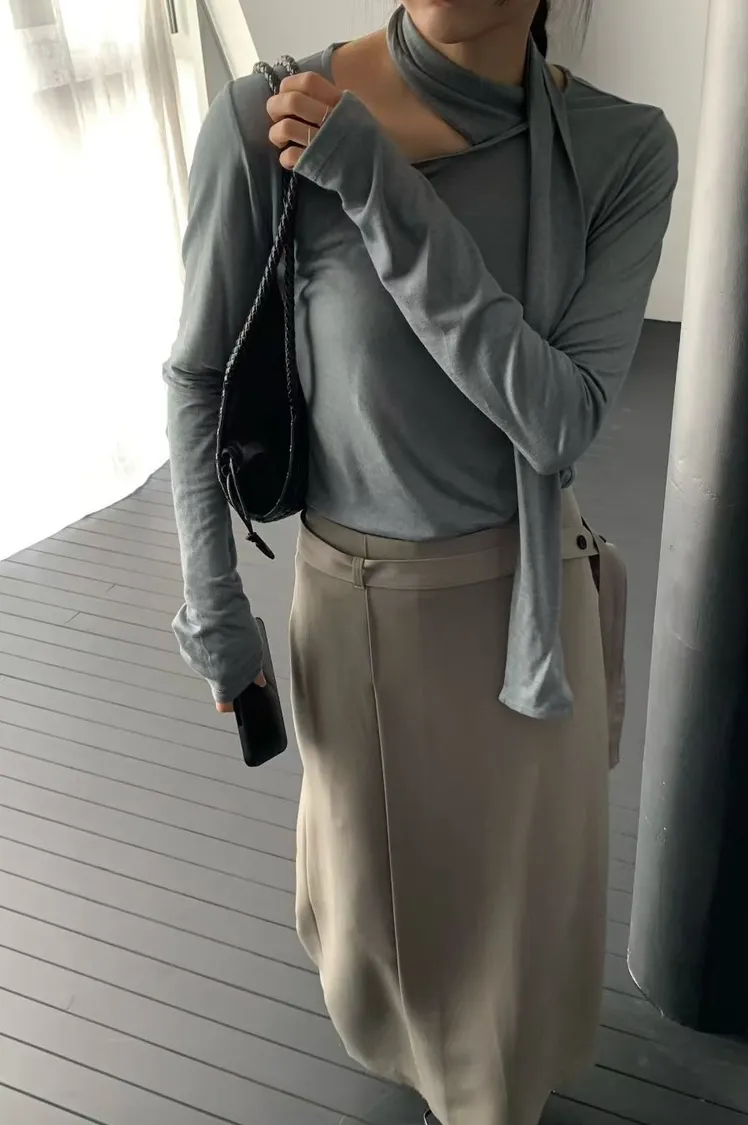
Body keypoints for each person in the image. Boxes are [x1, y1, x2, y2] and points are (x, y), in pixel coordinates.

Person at [165, 2, 677, 1123]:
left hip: (532, 617)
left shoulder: (623, 147)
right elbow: (200, 375)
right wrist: (214, 607)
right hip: (359, 615)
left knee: (516, 938)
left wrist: (379, 188)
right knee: (382, 919)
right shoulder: (272, 117)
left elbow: (558, 420)